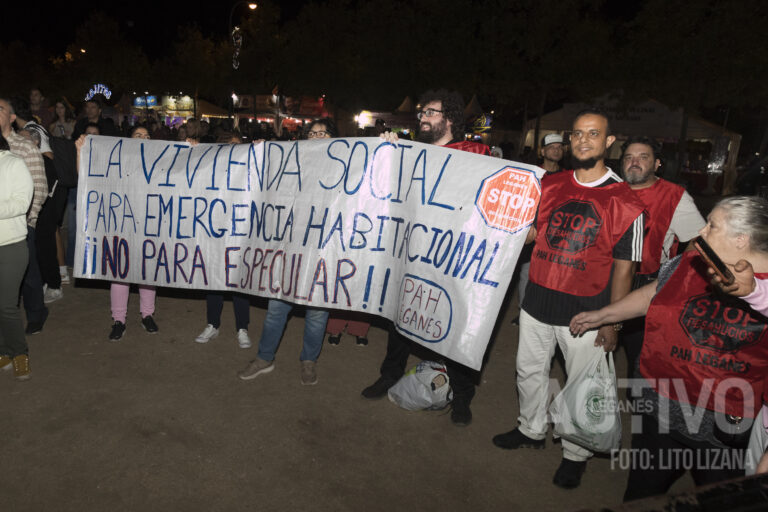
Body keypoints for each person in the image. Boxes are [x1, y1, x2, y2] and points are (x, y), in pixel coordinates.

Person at [570, 195, 768, 500]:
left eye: (712, 226)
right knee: (641, 495)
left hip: (722, 429)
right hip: (660, 407)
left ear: (741, 239)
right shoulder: (690, 262)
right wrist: (603, 315)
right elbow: (653, 294)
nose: (701, 232)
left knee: (722, 501)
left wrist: (754, 292)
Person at [492, 109, 646, 488]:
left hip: (586, 312)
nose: (583, 141)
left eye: (593, 134)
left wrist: (611, 321)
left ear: (609, 142)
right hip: (537, 301)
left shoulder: (625, 201)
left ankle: (576, 452)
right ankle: (530, 429)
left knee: (583, 384)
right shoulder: (551, 184)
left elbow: (625, 270)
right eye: (577, 134)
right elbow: (530, 233)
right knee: (529, 371)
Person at [360, 89, 490, 427]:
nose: (423, 118)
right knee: (401, 315)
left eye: (431, 112)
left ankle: (462, 395)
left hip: (452, 256)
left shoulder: (476, 153)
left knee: (455, 323)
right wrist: (387, 150)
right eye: (422, 112)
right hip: (414, 250)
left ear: (450, 119)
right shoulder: (411, 152)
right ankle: (390, 375)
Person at [237, 118, 340, 386]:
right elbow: (267, 175)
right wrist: (261, 152)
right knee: (276, 309)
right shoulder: (292, 162)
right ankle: (264, 358)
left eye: (324, 133)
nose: (318, 136)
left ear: (335, 139)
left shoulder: (345, 169)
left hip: (322, 251)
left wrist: (388, 144)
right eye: (312, 133)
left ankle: (308, 361)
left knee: (317, 314)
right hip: (288, 249)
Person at [620, 136, 705, 377]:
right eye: (629, 157)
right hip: (604, 280)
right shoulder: (610, 190)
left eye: (643, 157)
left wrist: (674, 277)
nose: (634, 162)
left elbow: (700, 242)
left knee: (640, 357)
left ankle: (638, 406)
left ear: (657, 163)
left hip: (646, 284)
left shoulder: (674, 195)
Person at [196, 131, 253, 350]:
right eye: (230, 145)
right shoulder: (213, 170)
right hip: (215, 232)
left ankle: (242, 327)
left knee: (239, 282)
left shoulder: (249, 172)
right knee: (214, 280)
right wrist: (192, 149)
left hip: (240, 232)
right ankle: (212, 324)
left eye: (239, 146)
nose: (234, 149)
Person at [102, 126, 159, 340]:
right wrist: (82, 151)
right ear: (129, 140)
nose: (144, 138)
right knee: (120, 272)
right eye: (138, 135)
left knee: (147, 271)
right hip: (122, 224)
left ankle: (147, 315)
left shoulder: (159, 162)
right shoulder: (119, 162)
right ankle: (119, 320)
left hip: (149, 224)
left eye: (147, 135)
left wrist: (191, 148)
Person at [0, 97, 49, 335]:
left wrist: (30, 220)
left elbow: (39, 186)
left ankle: (36, 314)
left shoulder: (25, 147)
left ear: (11, 117)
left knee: (28, 274)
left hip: (21, 223)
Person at [0, 134, 34, 380]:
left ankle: (20, 353)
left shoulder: (14, 164)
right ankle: (3, 351)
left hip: (10, 246)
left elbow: (22, 204)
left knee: (6, 305)